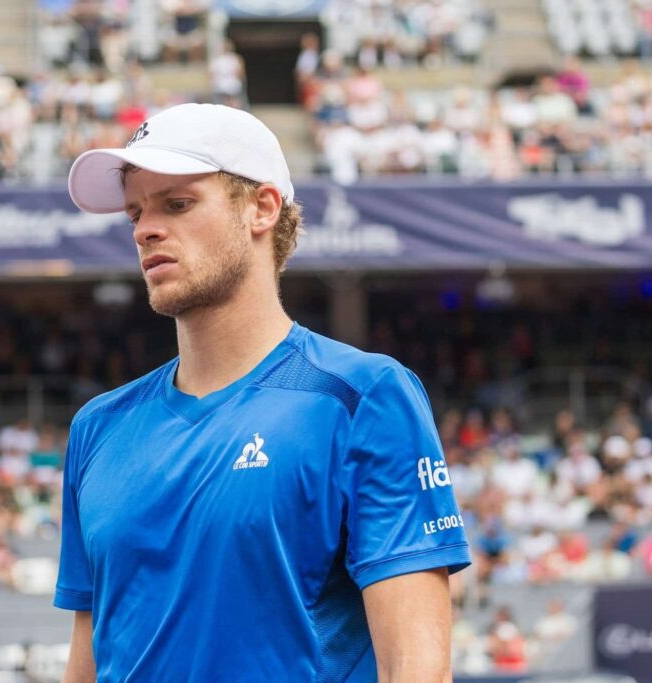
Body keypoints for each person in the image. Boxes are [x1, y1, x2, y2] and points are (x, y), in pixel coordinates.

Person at [57, 103, 471, 681]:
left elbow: (417, 669)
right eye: (135, 211)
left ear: (262, 207)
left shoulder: (363, 396)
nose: (145, 229)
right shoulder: (97, 427)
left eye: (177, 204)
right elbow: (88, 661)